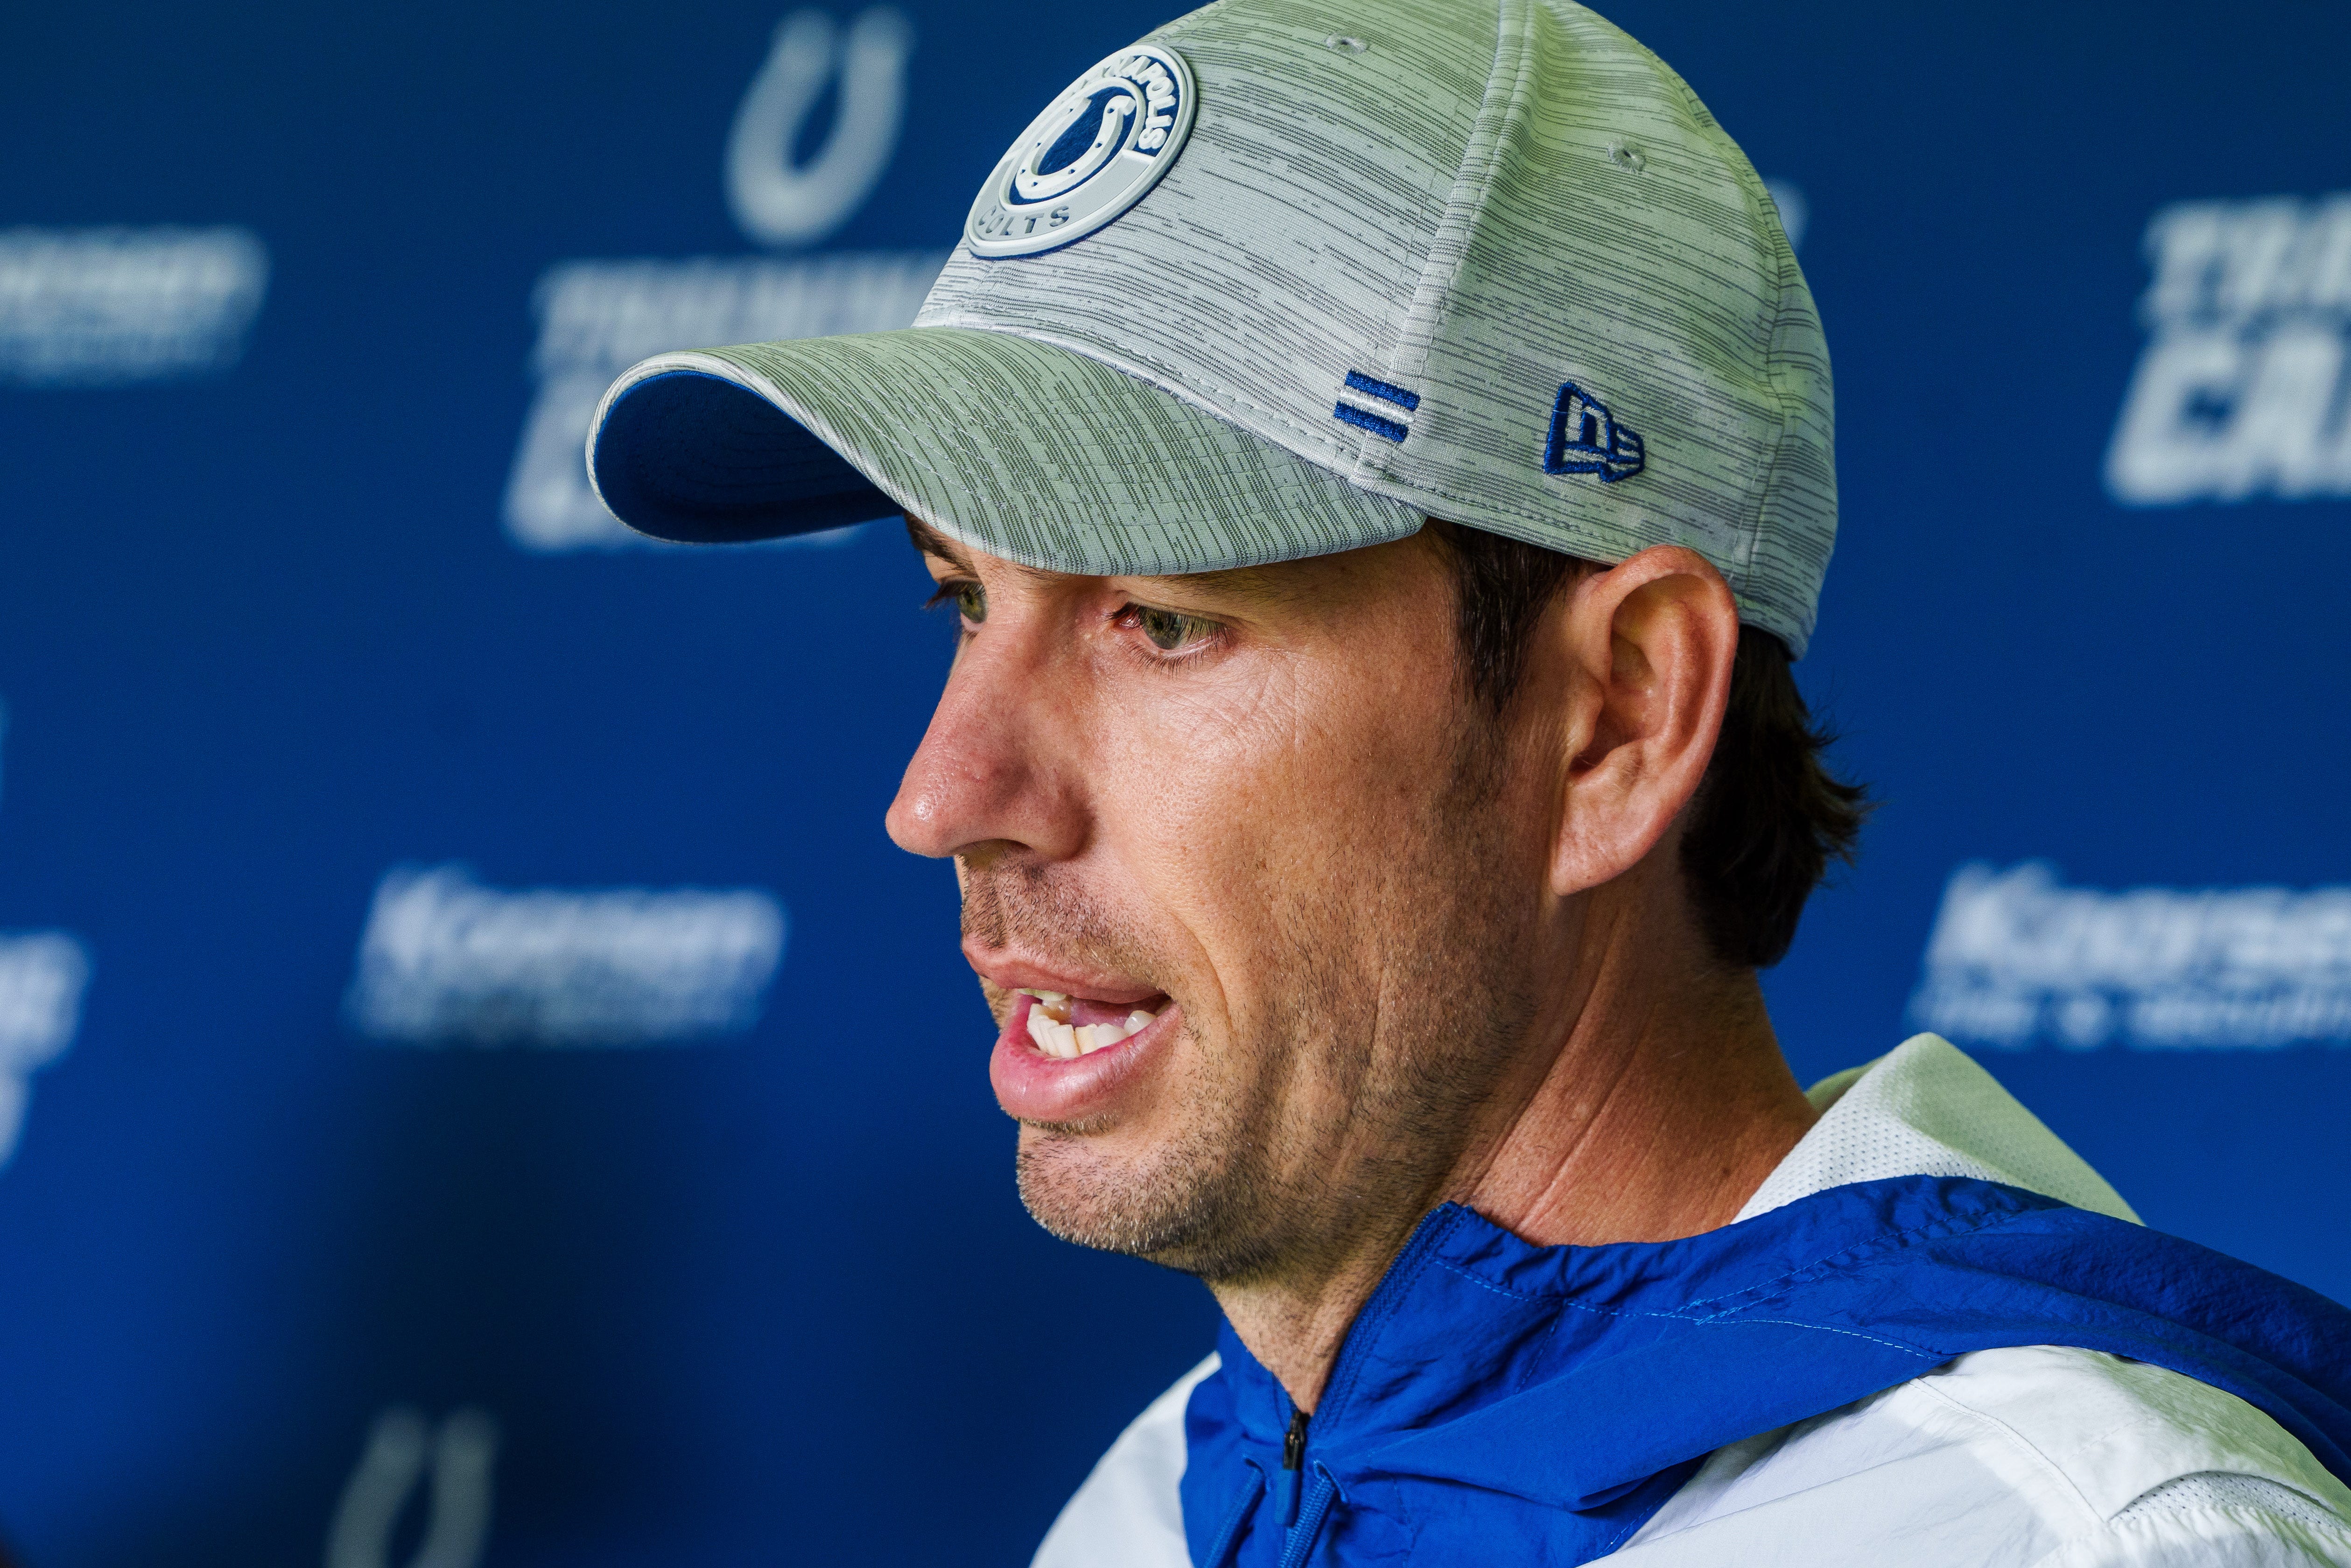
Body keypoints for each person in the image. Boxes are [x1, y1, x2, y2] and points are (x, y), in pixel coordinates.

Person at [582, 0, 2351, 1561]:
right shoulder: (1157, 1513)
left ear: (1619, 721)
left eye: (1167, 622)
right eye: (962, 598)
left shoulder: (2067, 1536)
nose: (946, 792)